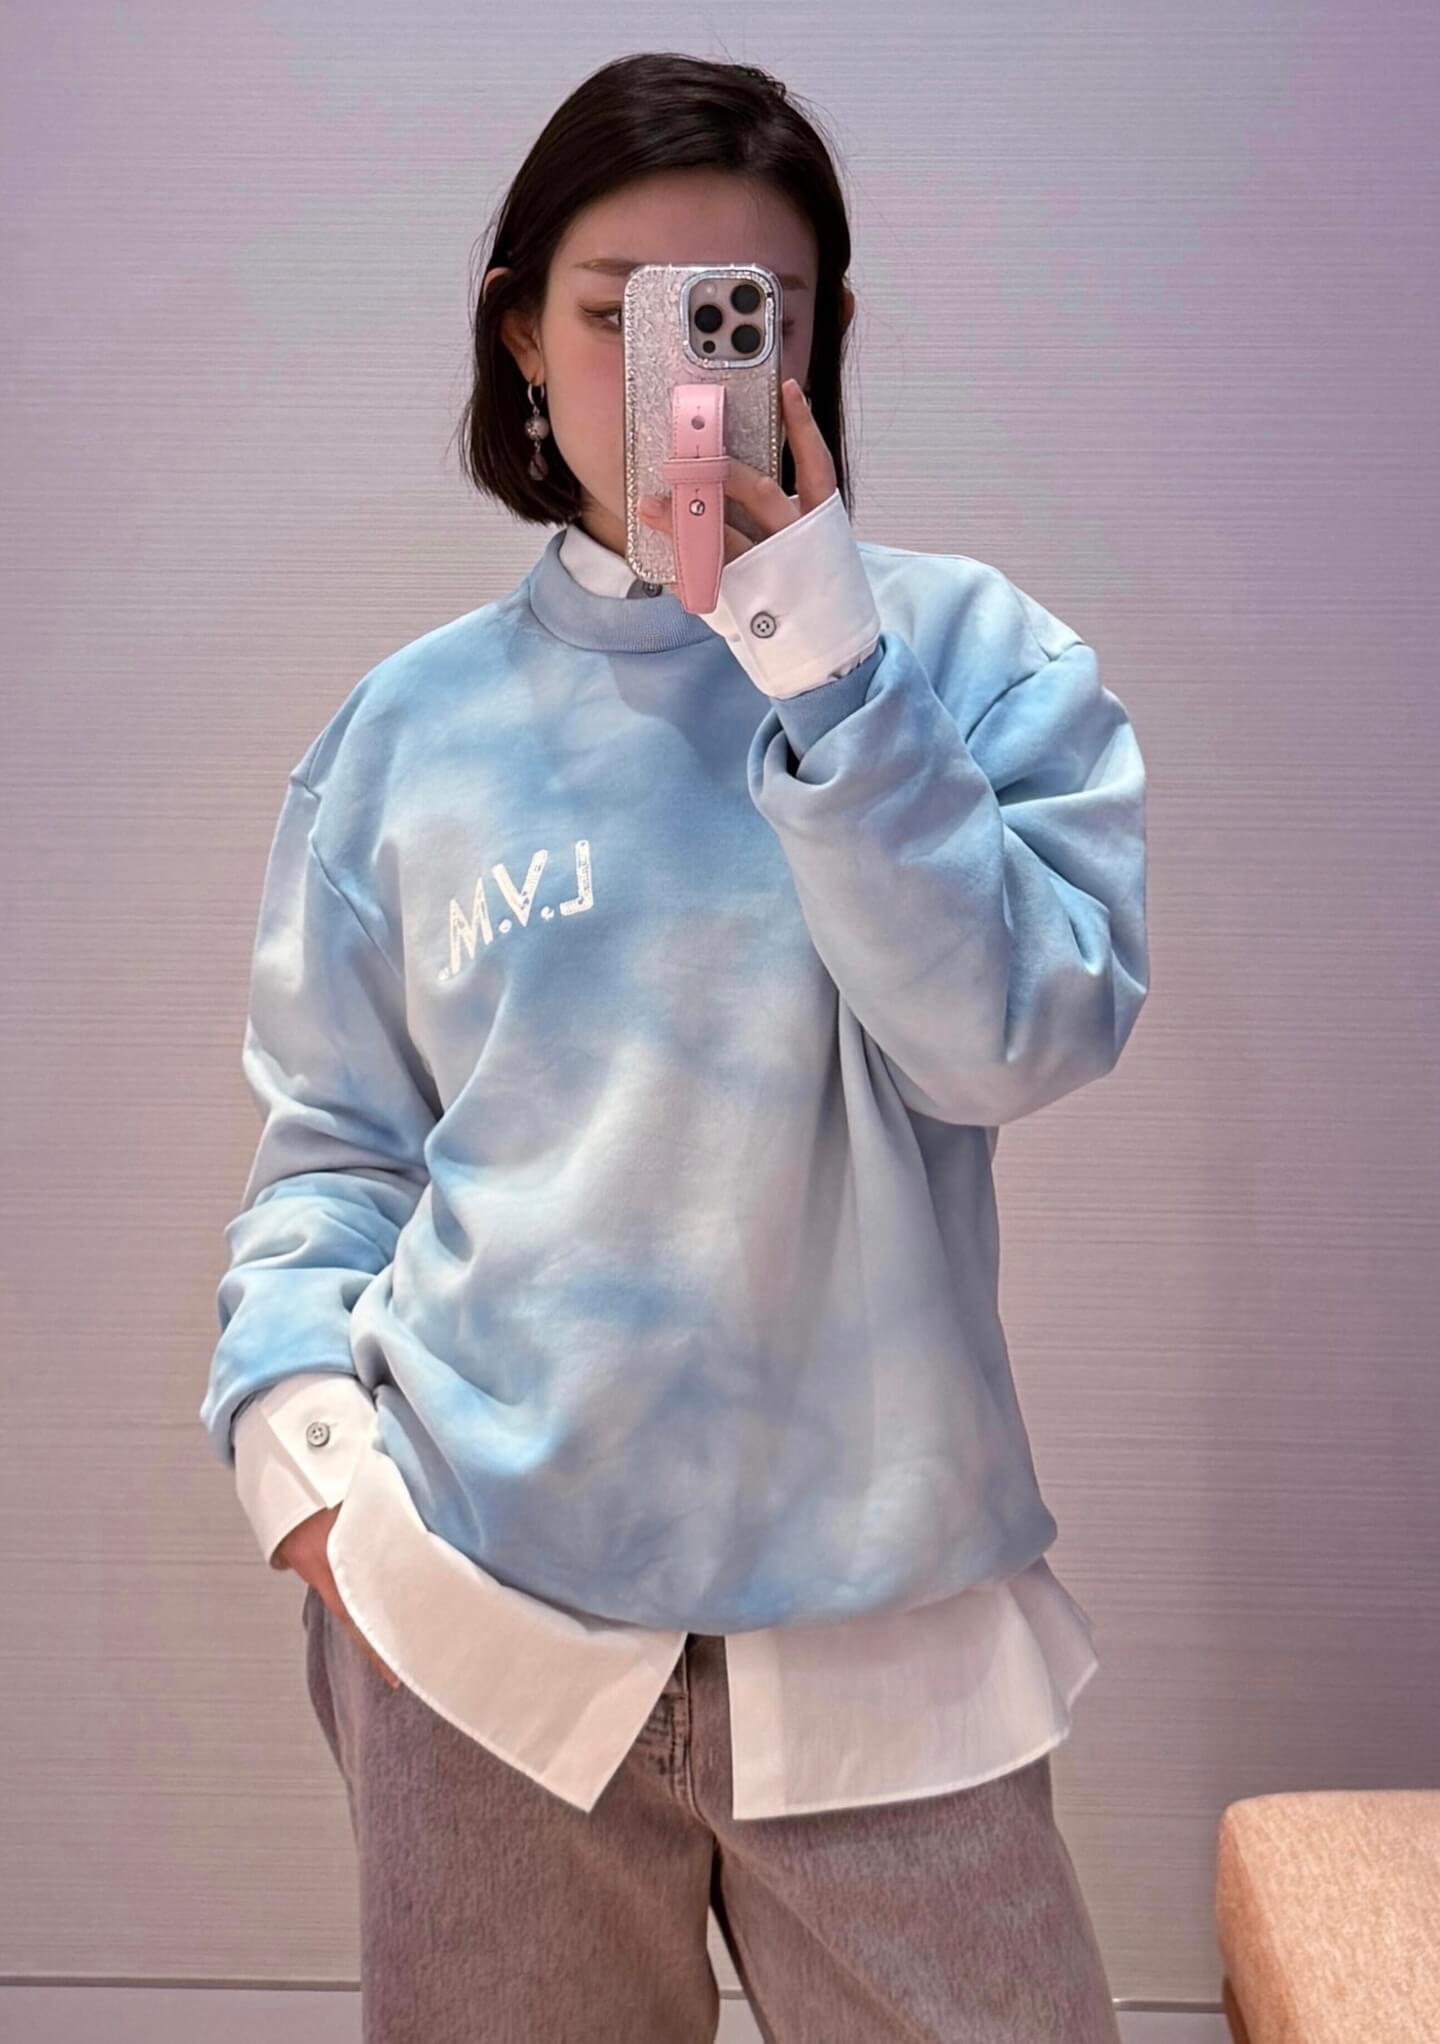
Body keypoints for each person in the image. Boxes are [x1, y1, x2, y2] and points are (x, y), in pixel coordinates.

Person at [199, 49, 1147, 2044]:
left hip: (888, 1638)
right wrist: (307, 1467)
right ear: (520, 337)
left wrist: (827, 674)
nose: (682, 378)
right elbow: (337, 1151)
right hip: (478, 1627)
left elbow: (1007, 1039)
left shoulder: (977, 666)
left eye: (743, 315)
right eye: (617, 313)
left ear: (822, 335)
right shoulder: (409, 733)